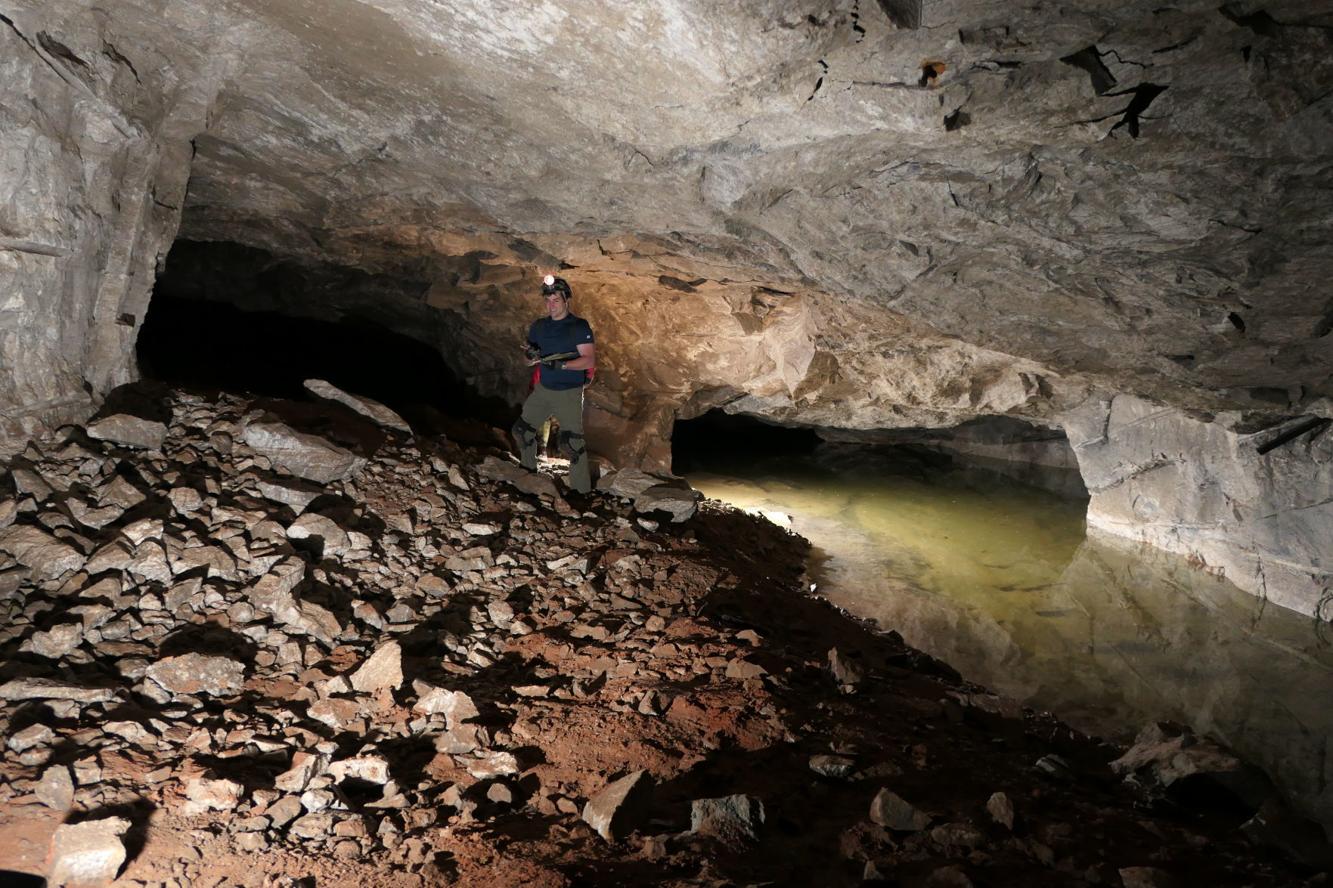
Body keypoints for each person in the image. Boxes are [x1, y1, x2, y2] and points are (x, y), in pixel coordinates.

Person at [512, 275, 596, 493]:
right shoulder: (539, 326)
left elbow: (588, 360)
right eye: (548, 301)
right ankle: (529, 474)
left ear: (566, 300)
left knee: (572, 443)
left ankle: (581, 492)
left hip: (568, 392)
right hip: (543, 389)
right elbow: (527, 361)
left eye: (556, 300)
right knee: (522, 430)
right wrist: (530, 356)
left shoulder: (578, 326)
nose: (551, 305)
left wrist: (563, 365)